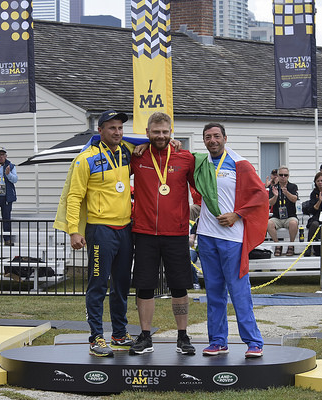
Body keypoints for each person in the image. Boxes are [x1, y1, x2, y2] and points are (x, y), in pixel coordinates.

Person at [55, 110, 136, 357]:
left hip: (125, 227)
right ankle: (96, 337)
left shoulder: (127, 151)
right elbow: (74, 196)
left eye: (120, 128)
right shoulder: (85, 159)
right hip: (100, 229)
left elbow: (151, 147)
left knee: (122, 284)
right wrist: (73, 231)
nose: (117, 132)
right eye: (112, 128)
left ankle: (120, 335)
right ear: (100, 130)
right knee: (98, 283)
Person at [194, 123, 269, 358]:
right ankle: (217, 341)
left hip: (232, 238)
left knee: (239, 292)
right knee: (214, 292)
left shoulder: (240, 163)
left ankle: (253, 342)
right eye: (208, 137)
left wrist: (237, 215)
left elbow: (260, 195)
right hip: (206, 236)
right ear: (204, 141)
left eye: (217, 136)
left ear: (225, 138)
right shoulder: (200, 163)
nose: (212, 140)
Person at [128, 112, 196, 356]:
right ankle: (145, 335)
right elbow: (103, 140)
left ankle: (183, 335)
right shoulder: (137, 155)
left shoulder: (185, 157)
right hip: (144, 232)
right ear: (147, 133)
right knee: (144, 287)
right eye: (156, 132)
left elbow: (200, 189)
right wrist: (138, 144)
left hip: (176, 232)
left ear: (171, 133)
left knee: (180, 287)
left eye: (165, 132)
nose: (161, 136)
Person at [267, 166, 299, 256]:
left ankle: (291, 246)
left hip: (290, 216)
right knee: (268, 223)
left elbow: (294, 199)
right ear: (277, 176)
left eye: (285, 175)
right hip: (277, 216)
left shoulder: (292, 186)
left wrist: (286, 193)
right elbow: (270, 202)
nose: (283, 177)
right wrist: (276, 196)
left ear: (288, 176)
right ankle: (278, 245)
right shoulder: (273, 187)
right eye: (281, 175)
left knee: (293, 223)